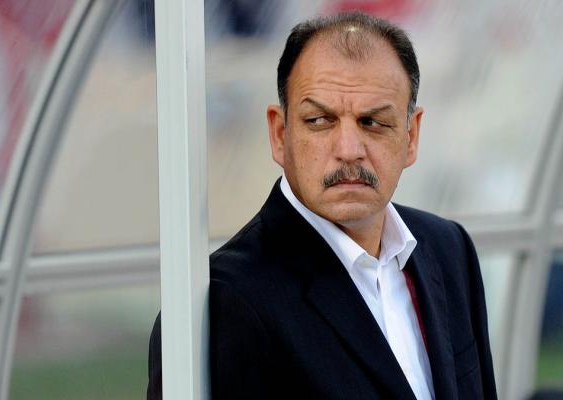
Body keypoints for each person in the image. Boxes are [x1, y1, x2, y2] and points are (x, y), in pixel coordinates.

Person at [148, 11, 497, 400]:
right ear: (279, 135)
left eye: (373, 122)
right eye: (319, 120)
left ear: (411, 136)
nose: (348, 150)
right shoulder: (227, 302)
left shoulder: (448, 248)